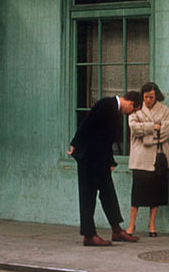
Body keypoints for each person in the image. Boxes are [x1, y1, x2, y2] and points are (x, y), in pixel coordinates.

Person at [68, 91, 143, 247]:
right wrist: (75, 144)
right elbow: (86, 123)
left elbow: (106, 139)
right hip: (88, 157)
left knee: (108, 193)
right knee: (88, 196)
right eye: (134, 110)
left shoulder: (113, 110)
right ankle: (89, 235)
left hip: (100, 159)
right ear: (130, 103)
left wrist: (109, 161)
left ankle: (116, 229)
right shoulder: (106, 104)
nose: (131, 113)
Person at [126, 82, 169, 237]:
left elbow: (165, 133)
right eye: (145, 97)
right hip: (141, 159)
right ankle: (131, 226)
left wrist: (145, 134)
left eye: (151, 97)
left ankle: (152, 225)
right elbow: (133, 128)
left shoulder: (164, 110)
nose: (148, 100)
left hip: (157, 157)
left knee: (156, 194)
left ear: (156, 96)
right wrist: (154, 126)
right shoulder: (136, 108)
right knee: (137, 194)